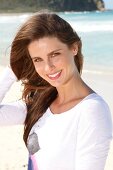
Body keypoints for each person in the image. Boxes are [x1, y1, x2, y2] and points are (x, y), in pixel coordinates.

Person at [0, 12, 112, 170]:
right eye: (38, 59)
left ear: (74, 48)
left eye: (54, 54)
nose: (48, 67)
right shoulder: (40, 103)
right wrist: (12, 70)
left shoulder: (91, 110)